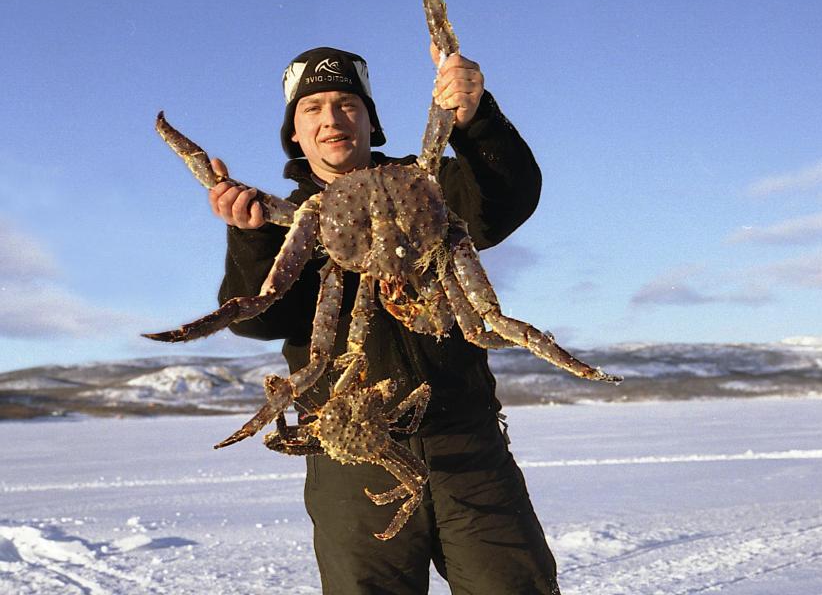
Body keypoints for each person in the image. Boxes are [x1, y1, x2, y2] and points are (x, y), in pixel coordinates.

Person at [210, 46, 560, 595]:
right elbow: (257, 319)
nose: (331, 118)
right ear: (295, 135)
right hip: (352, 460)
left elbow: (505, 198)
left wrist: (476, 118)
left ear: (371, 121)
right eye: (313, 108)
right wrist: (251, 239)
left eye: (347, 103)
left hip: (467, 448)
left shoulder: (427, 186)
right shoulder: (291, 225)